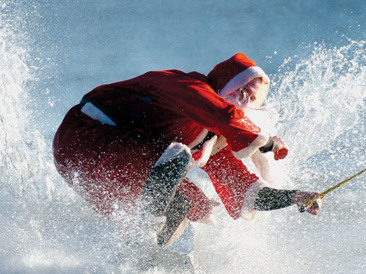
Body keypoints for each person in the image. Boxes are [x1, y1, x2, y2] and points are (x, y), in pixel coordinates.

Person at [53, 53, 322, 247]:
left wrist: (296, 197)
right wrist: (268, 142)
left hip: (111, 169)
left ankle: (145, 257)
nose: (243, 102)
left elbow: (246, 191)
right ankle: (145, 232)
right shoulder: (188, 86)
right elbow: (223, 114)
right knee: (177, 159)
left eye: (251, 99)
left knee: (184, 203)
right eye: (240, 91)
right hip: (83, 139)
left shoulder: (210, 138)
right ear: (225, 84)